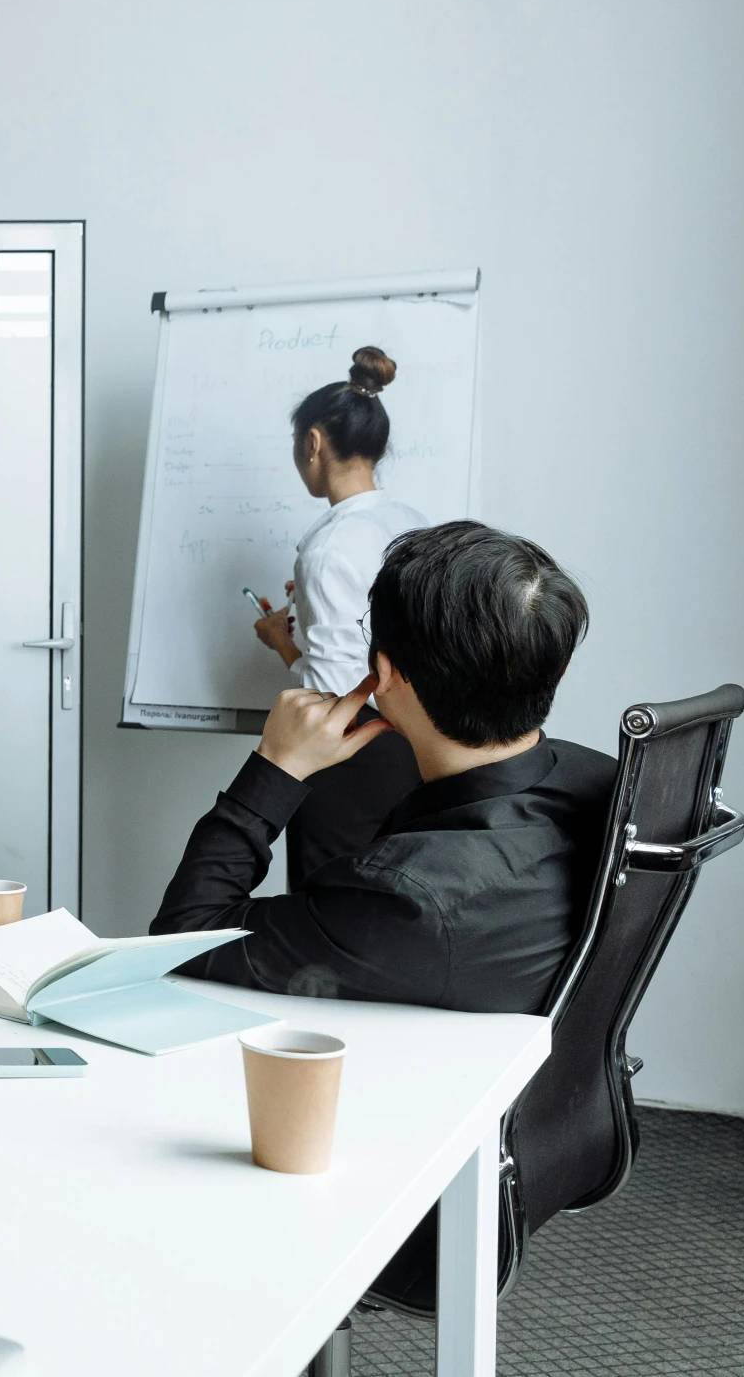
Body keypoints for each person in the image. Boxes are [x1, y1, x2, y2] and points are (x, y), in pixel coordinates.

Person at [155, 520, 610, 1011]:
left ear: (386, 672)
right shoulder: (604, 780)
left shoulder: (406, 898)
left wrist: (276, 766)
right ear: (556, 666)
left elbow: (185, 936)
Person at [250, 346, 431, 886]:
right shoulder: (411, 521)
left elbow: (333, 693)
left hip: (350, 759)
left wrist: (282, 644)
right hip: (413, 744)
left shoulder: (328, 549)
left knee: (328, 904)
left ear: (314, 443)